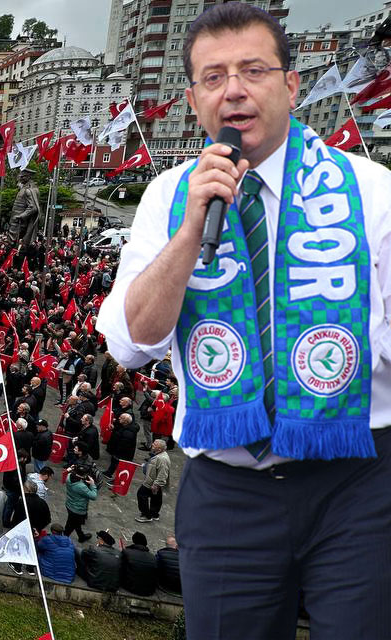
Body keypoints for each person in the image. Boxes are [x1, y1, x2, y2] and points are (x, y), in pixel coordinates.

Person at [98, 4, 391, 637]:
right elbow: (130, 341)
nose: (234, 89)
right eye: (214, 76)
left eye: (253, 70)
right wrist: (189, 232)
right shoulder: (168, 196)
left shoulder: (370, 191)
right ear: (194, 98)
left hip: (359, 481)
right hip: (229, 491)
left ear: (289, 86)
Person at [135, 440, 171, 523]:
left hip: (151, 482)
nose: (152, 445)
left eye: (154, 445)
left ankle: (146, 515)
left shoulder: (162, 459)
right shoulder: (159, 455)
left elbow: (163, 474)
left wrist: (156, 485)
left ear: (159, 450)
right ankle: (154, 514)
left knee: (141, 494)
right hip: (154, 482)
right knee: (156, 498)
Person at [64, 464, 99, 543]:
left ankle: (81, 536)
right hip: (77, 510)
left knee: (75, 523)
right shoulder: (81, 486)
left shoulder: (69, 476)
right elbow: (93, 496)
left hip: (69, 504)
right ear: (84, 475)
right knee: (69, 526)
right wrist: (92, 484)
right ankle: (63, 539)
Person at [120, 531, 159, 596]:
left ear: (134, 541)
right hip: (148, 591)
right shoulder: (153, 557)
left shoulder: (127, 552)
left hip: (130, 587)